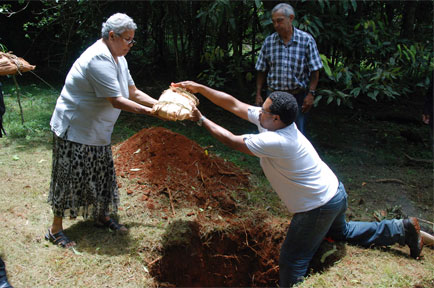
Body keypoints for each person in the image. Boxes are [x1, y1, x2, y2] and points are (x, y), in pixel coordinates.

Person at [172, 81, 424, 287]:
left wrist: (200, 119)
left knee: (292, 259)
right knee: (341, 233)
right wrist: (200, 89)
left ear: (277, 118)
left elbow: (233, 141)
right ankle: (401, 229)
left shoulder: (279, 141)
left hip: (317, 207)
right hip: (334, 193)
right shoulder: (273, 121)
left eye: (264, 110)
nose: (259, 111)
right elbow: (235, 104)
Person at [46, 13, 158, 248]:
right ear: (111, 36)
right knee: (69, 178)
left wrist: (161, 104)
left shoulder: (119, 57)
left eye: (132, 40)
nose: (131, 44)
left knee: (100, 174)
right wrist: (152, 113)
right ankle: (55, 229)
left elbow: (133, 92)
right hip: (75, 127)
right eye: (128, 39)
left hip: (97, 129)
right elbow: (117, 100)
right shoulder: (98, 58)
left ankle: (101, 215)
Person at [255, 3, 322, 135]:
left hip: (297, 96)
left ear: (291, 18)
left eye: (279, 21)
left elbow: (315, 70)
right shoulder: (269, 42)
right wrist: (258, 93)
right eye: (274, 22)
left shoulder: (306, 40)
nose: (276, 25)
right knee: (268, 133)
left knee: (297, 134)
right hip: (273, 96)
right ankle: (270, 156)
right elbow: (261, 69)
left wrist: (311, 94)